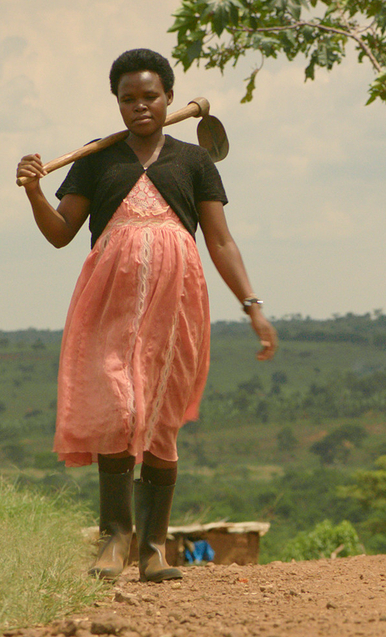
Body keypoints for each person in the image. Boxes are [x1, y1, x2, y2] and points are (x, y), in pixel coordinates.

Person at [16, 48, 277, 583]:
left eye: (149, 97)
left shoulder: (192, 161)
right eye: (128, 98)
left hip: (177, 305)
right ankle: (116, 538)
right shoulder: (97, 159)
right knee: (118, 410)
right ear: (116, 102)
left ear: (170, 99)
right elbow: (61, 233)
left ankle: (153, 549)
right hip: (108, 303)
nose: (140, 106)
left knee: (158, 419)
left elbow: (221, 242)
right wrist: (36, 191)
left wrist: (253, 306)